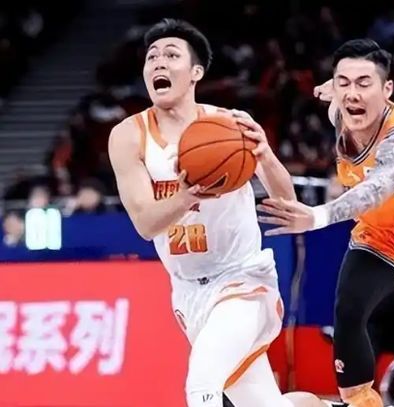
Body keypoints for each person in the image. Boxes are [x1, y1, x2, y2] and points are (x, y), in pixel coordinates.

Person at [108, 18, 326, 407]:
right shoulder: (128, 135)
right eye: (152, 57)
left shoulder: (229, 125)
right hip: (189, 291)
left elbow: (286, 199)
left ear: (195, 72)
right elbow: (144, 224)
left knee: (202, 381)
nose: (158, 62)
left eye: (171, 55)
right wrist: (186, 197)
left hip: (243, 280)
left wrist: (266, 155)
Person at [258, 39, 394, 407]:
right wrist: (334, 90)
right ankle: (361, 403)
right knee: (349, 309)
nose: (352, 93)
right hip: (384, 230)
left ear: (387, 89)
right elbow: (339, 96)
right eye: (344, 82)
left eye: (364, 83)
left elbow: (382, 185)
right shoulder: (341, 112)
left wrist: (318, 216)